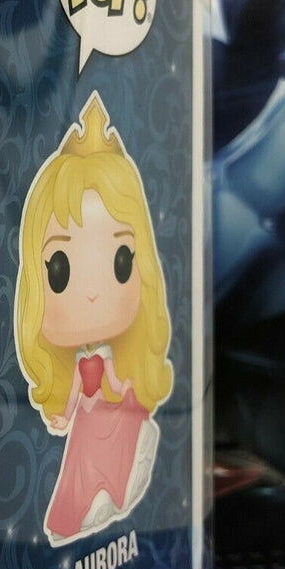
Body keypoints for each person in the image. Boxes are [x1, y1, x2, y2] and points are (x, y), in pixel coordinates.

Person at [15, 93, 173, 545]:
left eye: (122, 261)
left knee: (117, 428)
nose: (91, 293)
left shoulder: (110, 357)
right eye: (60, 269)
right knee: (80, 462)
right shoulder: (79, 364)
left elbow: (115, 379)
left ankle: (120, 481)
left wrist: (122, 387)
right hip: (86, 418)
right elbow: (70, 396)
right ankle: (91, 504)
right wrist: (63, 414)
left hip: (111, 407)